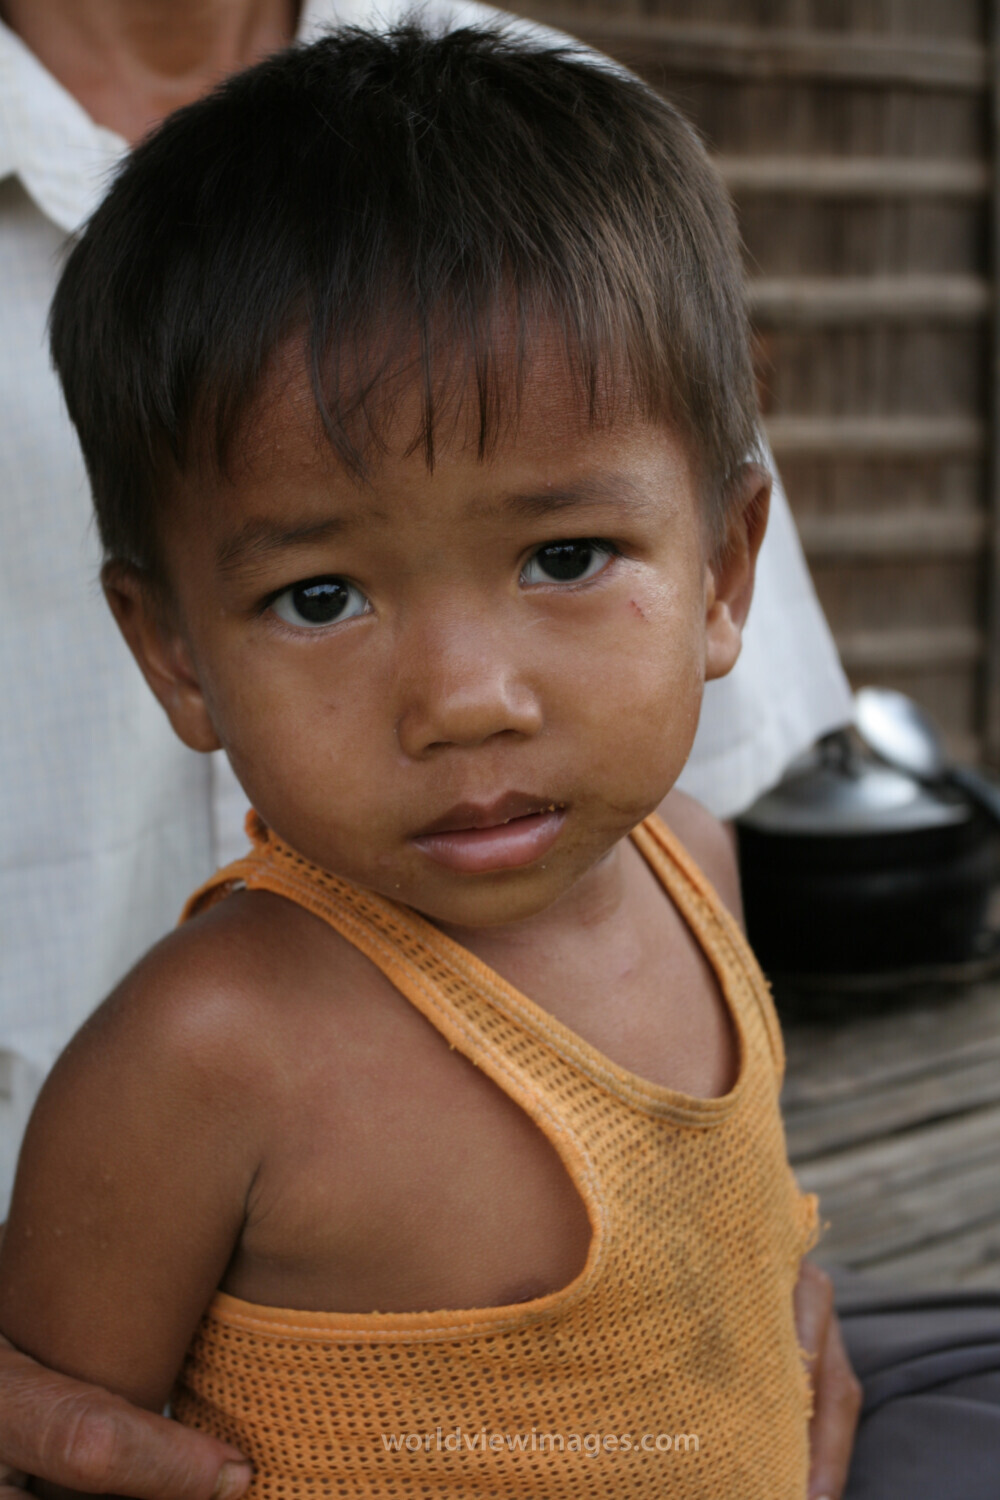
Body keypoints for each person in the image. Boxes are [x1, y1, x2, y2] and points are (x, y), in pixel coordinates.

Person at [0, 23, 847, 1496]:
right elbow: (58, 1453)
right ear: (176, 654)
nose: (464, 700)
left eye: (565, 555)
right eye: (320, 598)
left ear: (724, 571)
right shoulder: (203, 1058)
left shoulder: (694, 875)